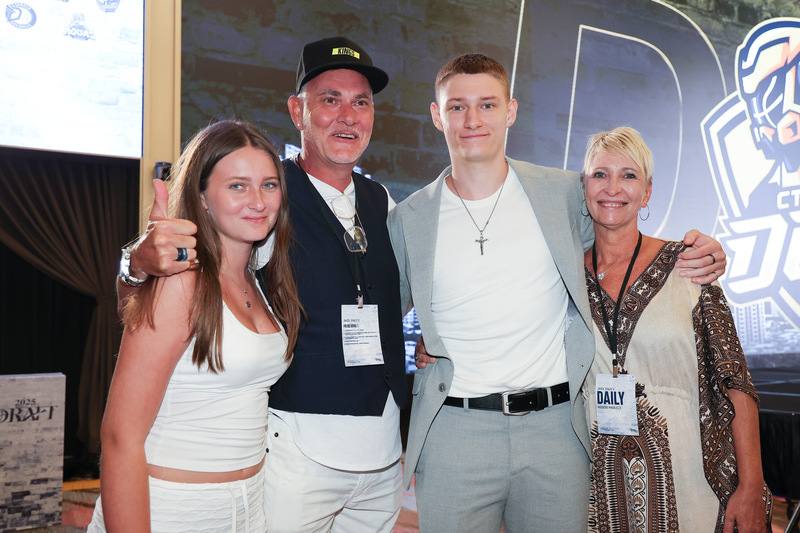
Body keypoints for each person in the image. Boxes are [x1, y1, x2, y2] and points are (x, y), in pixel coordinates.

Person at [390, 54, 726, 533]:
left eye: (487, 105)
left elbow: (619, 229)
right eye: (457, 106)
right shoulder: (409, 218)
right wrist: (428, 344)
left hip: (556, 429)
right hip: (455, 431)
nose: (472, 120)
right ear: (436, 115)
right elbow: (383, 309)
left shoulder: (562, 193)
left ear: (510, 111)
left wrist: (701, 250)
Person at [116, 37, 408, 532]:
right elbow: (170, 277)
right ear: (297, 111)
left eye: (361, 102)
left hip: (382, 452)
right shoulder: (266, 198)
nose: (348, 116)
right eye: (330, 99)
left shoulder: (382, 201)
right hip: (299, 449)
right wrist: (136, 264)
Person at [91, 120, 302, 531]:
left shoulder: (261, 280)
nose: (258, 201)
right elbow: (120, 437)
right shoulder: (182, 283)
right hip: (172, 508)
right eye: (237, 186)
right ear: (202, 197)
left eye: (269, 185)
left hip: (248, 507)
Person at [580, 126, 771, 533]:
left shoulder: (689, 266)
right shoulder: (566, 275)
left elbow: (735, 381)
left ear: (647, 192)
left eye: (628, 175)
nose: (612, 188)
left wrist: (752, 485)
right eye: (600, 174)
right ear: (584, 186)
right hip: (596, 489)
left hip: (691, 482)